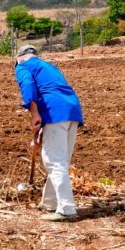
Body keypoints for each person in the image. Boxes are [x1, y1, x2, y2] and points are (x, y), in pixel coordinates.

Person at [15, 45, 83, 222]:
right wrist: (39, 135)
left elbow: (29, 87)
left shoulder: (22, 66)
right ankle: (50, 203)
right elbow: (49, 89)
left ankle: (66, 210)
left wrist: (34, 113)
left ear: (19, 58)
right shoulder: (49, 66)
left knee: (54, 162)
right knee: (62, 160)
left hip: (55, 111)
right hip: (72, 110)